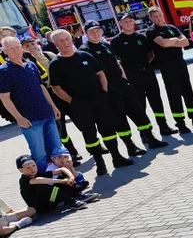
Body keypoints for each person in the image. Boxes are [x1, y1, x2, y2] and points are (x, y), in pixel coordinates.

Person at [48, 30, 134, 175]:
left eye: (67, 39)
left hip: (98, 99)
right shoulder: (55, 64)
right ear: (55, 44)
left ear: (72, 40)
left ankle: (117, 157)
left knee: (108, 129)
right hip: (80, 105)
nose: (65, 43)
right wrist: (73, 101)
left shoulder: (85, 56)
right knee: (90, 134)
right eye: (60, 41)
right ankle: (100, 163)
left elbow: (100, 74)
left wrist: (104, 92)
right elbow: (56, 88)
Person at [82, 22, 167, 156]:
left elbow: (117, 63)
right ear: (86, 33)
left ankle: (150, 139)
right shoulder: (85, 51)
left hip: (122, 86)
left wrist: (125, 80)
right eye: (92, 31)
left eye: (98, 30)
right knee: (120, 119)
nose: (96, 33)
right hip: (109, 91)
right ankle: (130, 147)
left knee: (139, 113)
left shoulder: (105, 45)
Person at [0, 35, 65, 169]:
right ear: (4, 51)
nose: (16, 51)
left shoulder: (31, 65)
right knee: (39, 154)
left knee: (57, 150)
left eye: (17, 47)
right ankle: (45, 184)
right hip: (29, 120)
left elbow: (42, 87)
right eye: (11, 49)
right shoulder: (3, 71)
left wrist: (53, 106)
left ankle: (65, 180)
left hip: (47, 114)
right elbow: (4, 98)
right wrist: (19, 118)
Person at [109, 14, 177, 136]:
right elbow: (115, 62)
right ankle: (144, 133)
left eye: (131, 21)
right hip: (132, 77)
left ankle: (163, 126)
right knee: (140, 105)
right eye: (126, 21)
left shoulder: (141, 37)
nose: (129, 23)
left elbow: (150, 54)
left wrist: (145, 65)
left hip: (147, 73)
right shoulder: (116, 41)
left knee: (156, 101)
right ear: (120, 23)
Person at [145, 7, 193, 134]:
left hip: (180, 64)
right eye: (156, 17)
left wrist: (171, 42)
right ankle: (180, 123)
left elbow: (185, 42)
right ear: (151, 18)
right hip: (167, 68)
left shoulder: (171, 27)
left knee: (188, 92)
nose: (159, 18)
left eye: (160, 15)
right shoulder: (151, 31)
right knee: (174, 95)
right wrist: (175, 40)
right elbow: (163, 43)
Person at [17, 154, 92, 213]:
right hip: (42, 207)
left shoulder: (37, 174)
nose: (32, 169)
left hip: (49, 200)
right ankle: (69, 202)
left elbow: (62, 169)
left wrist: (71, 177)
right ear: (21, 170)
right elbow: (38, 180)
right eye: (28, 168)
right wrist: (61, 182)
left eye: (33, 165)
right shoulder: (24, 180)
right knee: (48, 187)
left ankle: (77, 195)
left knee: (62, 177)